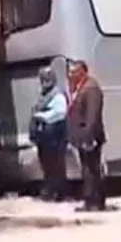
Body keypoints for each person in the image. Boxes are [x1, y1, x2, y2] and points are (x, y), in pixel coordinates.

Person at [64, 59, 107, 212]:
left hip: (91, 137)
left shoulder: (91, 88)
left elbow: (92, 115)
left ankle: (94, 201)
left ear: (82, 72)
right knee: (87, 169)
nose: (70, 75)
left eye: (73, 72)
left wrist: (89, 137)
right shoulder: (80, 87)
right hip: (83, 137)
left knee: (92, 170)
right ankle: (91, 200)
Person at [30, 66, 68, 201]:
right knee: (47, 166)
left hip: (55, 137)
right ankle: (49, 191)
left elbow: (61, 113)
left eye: (47, 78)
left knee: (56, 166)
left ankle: (59, 192)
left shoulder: (58, 95)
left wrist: (43, 116)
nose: (45, 81)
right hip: (44, 138)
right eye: (43, 78)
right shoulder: (43, 95)